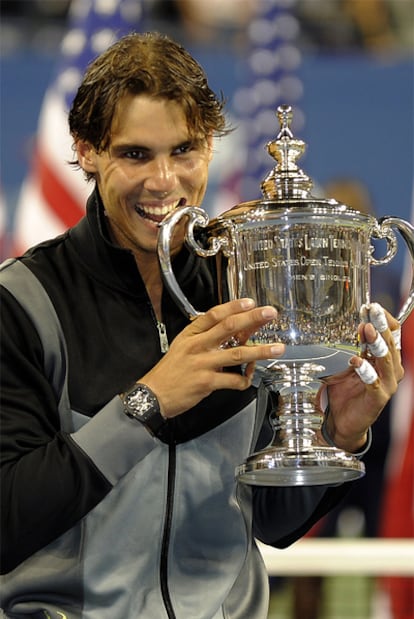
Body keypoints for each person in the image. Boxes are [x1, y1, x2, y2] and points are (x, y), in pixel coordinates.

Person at [0, 32, 403, 619]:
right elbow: (7, 521)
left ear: (211, 146)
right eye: (135, 154)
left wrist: (337, 434)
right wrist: (145, 405)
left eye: (184, 150)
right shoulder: (21, 302)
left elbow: (273, 524)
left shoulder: (243, 287)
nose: (164, 181)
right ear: (87, 151)